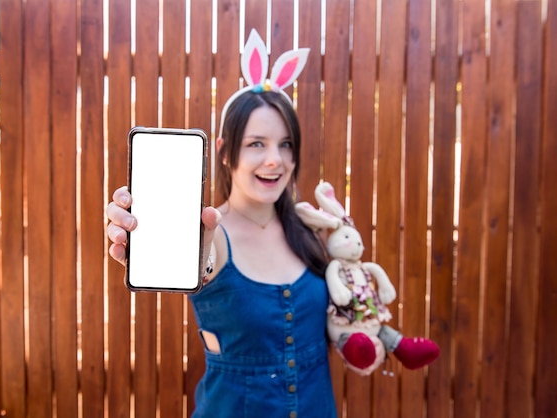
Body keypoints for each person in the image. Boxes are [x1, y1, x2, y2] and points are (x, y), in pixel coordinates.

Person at [106, 30, 384, 418]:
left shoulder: (311, 232)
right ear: (224, 152)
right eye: (257, 143)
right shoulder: (211, 234)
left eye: (285, 144)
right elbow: (200, 261)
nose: (275, 159)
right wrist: (144, 235)